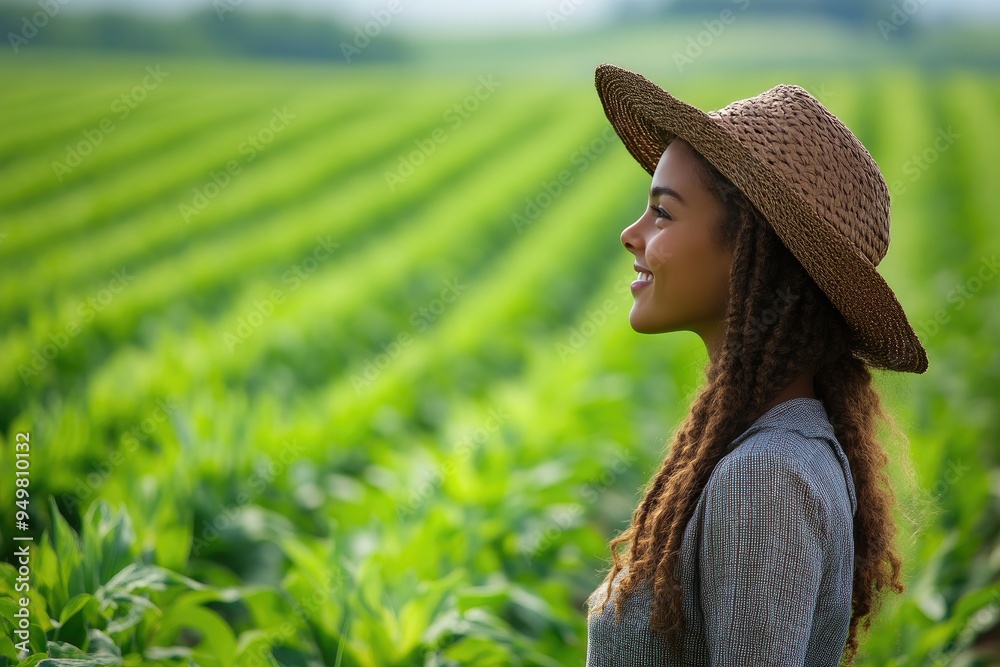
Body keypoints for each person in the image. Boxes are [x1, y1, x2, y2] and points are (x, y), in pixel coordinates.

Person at [584, 64, 929, 666]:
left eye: (663, 213)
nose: (630, 234)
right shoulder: (776, 448)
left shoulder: (764, 477)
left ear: (750, 248)